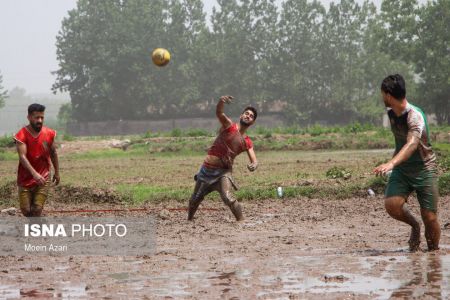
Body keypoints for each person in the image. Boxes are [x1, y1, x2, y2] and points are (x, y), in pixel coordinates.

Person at [374, 74, 440, 251]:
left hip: (424, 168)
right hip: (403, 170)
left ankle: (434, 255)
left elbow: (411, 144)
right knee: (392, 205)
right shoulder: (391, 113)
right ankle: (415, 226)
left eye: (382, 94)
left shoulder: (414, 115)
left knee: (430, 217)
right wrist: (396, 163)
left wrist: (391, 163)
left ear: (388, 95)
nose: (382, 98)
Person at [188, 95, 258, 221]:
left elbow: (254, 160)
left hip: (223, 173)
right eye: (246, 113)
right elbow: (219, 112)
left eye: (251, 116)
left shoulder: (247, 141)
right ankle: (189, 221)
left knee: (228, 197)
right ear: (241, 116)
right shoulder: (229, 125)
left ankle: (241, 221)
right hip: (206, 170)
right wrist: (221, 101)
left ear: (252, 122)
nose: (248, 116)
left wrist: (254, 165)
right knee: (195, 199)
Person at [14, 103, 60, 217]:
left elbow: (53, 153)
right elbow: (22, 157)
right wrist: (35, 174)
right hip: (25, 178)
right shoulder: (22, 134)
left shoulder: (49, 133)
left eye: (42, 117)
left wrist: (57, 172)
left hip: (44, 176)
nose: (39, 120)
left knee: (37, 209)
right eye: (36, 117)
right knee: (26, 210)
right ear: (29, 117)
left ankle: (36, 232)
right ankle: (34, 228)